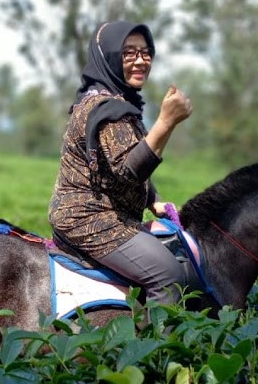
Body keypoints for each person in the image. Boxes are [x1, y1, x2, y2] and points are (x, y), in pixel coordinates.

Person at [48, 20, 193, 307]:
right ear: (110, 57)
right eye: (129, 53)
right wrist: (166, 122)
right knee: (169, 276)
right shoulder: (109, 110)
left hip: (104, 213)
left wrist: (153, 200)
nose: (141, 60)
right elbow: (128, 170)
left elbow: (119, 157)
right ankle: (159, 352)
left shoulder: (111, 100)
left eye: (146, 52)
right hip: (90, 220)